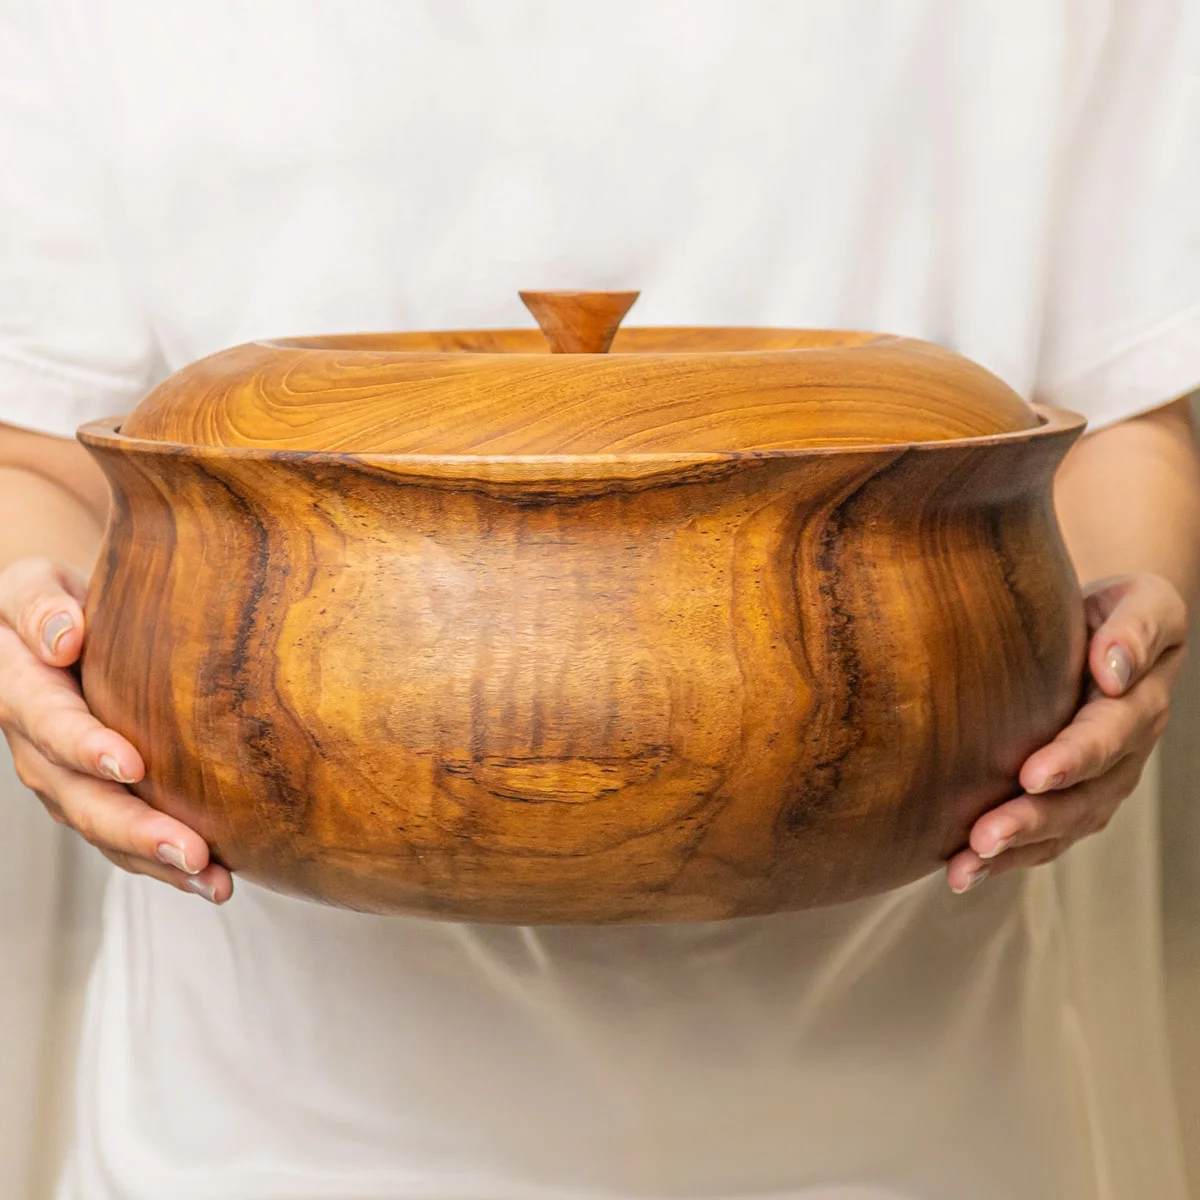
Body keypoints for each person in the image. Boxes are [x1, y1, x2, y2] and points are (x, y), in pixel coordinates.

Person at [2, 2, 1199, 1198]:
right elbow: (39, 455)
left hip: (920, 1121)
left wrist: (1105, 651)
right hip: (256, 1135)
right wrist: (38, 628)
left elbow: (1126, 409)